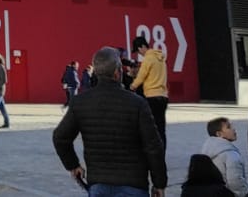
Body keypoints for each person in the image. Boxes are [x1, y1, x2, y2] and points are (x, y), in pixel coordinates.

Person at [51, 46, 167, 197]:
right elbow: (153, 146)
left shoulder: (80, 102)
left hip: (98, 185)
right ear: (117, 72)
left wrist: (72, 165)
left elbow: (60, 137)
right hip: (134, 184)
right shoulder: (137, 103)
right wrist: (159, 184)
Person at [129, 35, 169, 150]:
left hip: (151, 97)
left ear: (142, 46)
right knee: (161, 129)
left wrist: (132, 86)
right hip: (163, 96)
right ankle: (161, 156)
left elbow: (141, 76)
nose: (139, 53)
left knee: (150, 128)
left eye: (138, 50)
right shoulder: (160, 58)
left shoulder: (148, 58)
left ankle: (153, 156)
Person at [199, 117, 248, 197]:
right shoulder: (231, 154)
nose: (234, 129)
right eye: (229, 127)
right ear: (219, 134)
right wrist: (245, 194)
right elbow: (235, 181)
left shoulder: (205, 151)